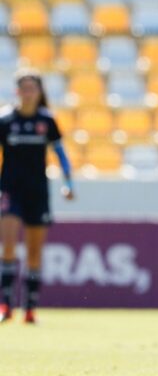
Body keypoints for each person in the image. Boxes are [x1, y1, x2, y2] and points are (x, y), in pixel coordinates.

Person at [0, 69, 75, 324]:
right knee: (8, 245)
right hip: (10, 190)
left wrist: (68, 182)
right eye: (25, 88)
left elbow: (61, 154)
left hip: (37, 192)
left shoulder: (47, 121)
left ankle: (30, 308)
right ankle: (5, 306)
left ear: (39, 92)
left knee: (34, 252)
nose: (29, 93)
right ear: (17, 91)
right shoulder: (5, 120)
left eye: (33, 88)